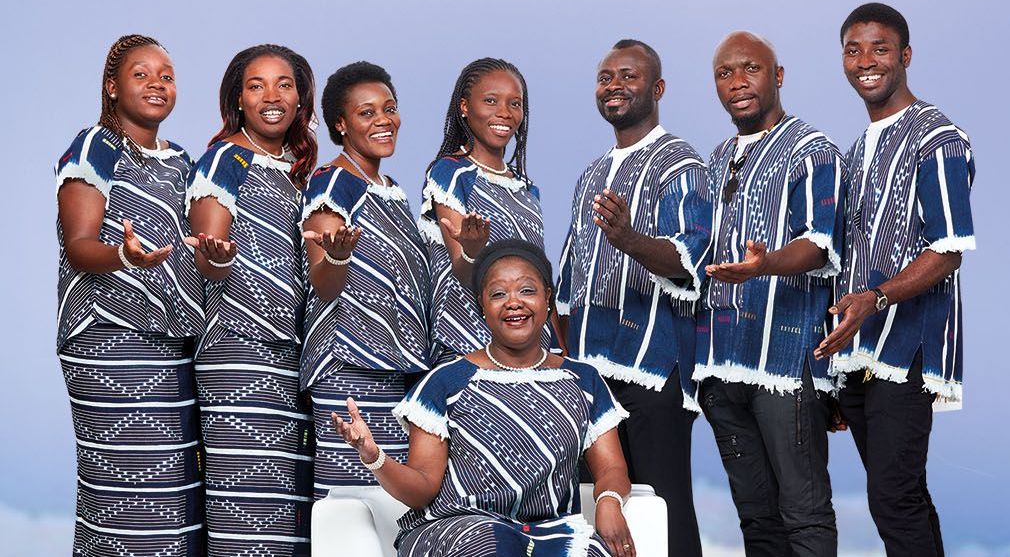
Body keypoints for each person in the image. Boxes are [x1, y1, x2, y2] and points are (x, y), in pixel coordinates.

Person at [333, 239, 636, 557]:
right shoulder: (446, 382)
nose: (513, 302)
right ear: (482, 307)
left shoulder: (583, 380)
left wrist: (609, 502)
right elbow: (421, 488)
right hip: (458, 528)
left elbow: (611, 468)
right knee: (491, 541)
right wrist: (373, 456)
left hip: (551, 532)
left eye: (527, 290)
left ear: (548, 299)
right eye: (498, 294)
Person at [816, 3, 976, 557]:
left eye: (880, 48)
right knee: (898, 496)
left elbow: (949, 249)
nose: (866, 61)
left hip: (906, 348)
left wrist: (878, 297)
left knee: (893, 496)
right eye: (853, 49)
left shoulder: (939, 137)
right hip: (857, 351)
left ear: (905, 56)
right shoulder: (858, 148)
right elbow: (852, 257)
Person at [555, 39, 710, 557]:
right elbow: (569, 281)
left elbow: (690, 261)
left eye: (628, 76)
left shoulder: (681, 164)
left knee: (663, 509)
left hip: (654, 371)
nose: (614, 86)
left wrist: (629, 239)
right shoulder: (590, 175)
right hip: (589, 374)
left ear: (657, 88)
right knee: (596, 509)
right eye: (605, 78)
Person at [694, 31, 843, 556]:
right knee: (756, 520)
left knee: (803, 514)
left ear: (777, 75)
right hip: (721, 364)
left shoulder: (814, 151)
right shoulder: (714, 161)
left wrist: (767, 265)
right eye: (724, 73)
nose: (737, 83)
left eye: (750, 69)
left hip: (785, 362)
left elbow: (821, 245)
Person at [55, 34, 205, 555]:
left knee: (175, 502)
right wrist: (125, 257)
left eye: (166, 74)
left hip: (173, 342)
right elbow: (79, 245)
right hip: (109, 340)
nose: (157, 83)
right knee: (126, 497)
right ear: (112, 87)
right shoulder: (93, 145)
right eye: (141, 74)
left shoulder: (183, 160)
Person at [185, 44, 318, 556]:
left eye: (284, 85)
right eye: (256, 85)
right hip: (239, 355)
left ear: (301, 99)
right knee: (246, 514)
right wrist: (217, 259)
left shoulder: (300, 169)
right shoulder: (226, 158)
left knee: (287, 516)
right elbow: (209, 258)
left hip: (291, 358)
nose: (272, 96)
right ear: (238, 99)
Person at [300, 62, 433, 498]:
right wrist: (337, 258)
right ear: (341, 124)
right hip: (351, 371)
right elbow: (323, 283)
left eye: (389, 108)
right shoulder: (333, 181)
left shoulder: (390, 188)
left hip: (398, 371)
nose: (383, 120)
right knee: (353, 506)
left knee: (391, 509)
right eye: (366, 112)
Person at [420, 58, 549, 362]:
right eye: (491, 101)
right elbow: (462, 271)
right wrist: (472, 250)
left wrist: (558, 348)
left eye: (514, 104)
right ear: (464, 107)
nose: (504, 113)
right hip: (467, 344)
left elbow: (539, 276)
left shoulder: (527, 189)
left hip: (528, 347)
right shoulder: (450, 173)